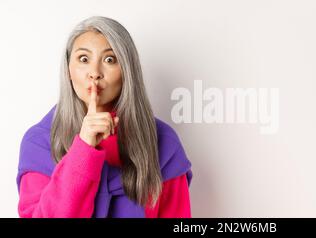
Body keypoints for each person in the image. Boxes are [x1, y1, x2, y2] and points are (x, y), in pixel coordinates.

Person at [16, 16, 193, 218]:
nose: (95, 73)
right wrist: (84, 148)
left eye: (110, 59)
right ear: (68, 71)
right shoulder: (39, 142)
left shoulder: (164, 142)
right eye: (84, 59)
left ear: (127, 71)